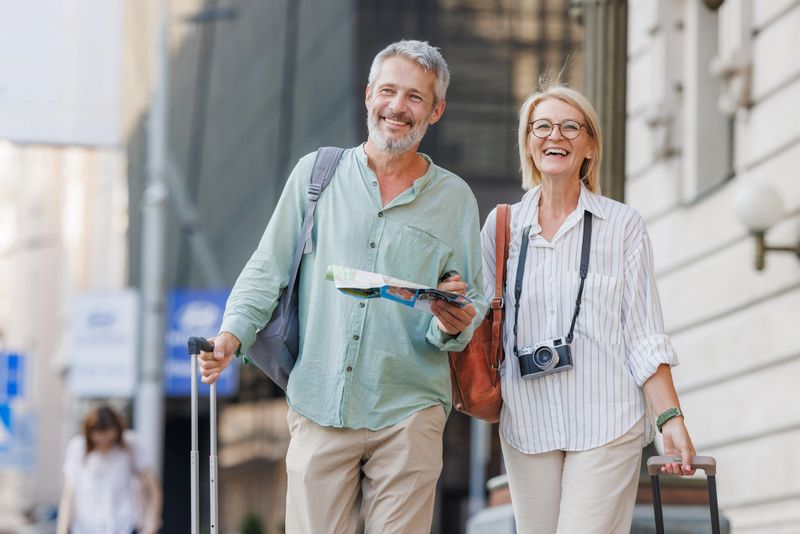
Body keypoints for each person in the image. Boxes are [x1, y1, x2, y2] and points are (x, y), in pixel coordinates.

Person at [199, 40, 485, 533]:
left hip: (409, 407)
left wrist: (452, 319)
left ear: (435, 110)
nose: (398, 107)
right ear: (368, 94)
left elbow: (468, 298)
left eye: (415, 97)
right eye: (389, 91)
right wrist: (231, 336)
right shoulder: (316, 175)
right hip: (319, 400)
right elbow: (268, 267)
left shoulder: (455, 198)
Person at [481, 83, 696, 534]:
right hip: (528, 424)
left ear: (590, 145)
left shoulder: (622, 226)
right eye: (541, 126)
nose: (553, 135)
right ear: (527, 142)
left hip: (607, 420)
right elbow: (483, 323)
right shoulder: (501, 227)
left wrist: (669, 419)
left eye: (569, 126)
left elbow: (643, 333)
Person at [56, 405, 162, 534]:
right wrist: (62, 529)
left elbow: (153, 486)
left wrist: (151, 524)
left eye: (109, 439)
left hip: (124, 525)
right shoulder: (77, 447)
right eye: (98, 439)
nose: (104, 443)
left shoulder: (130, 444)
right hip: (86, 526)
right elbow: (69, 493)